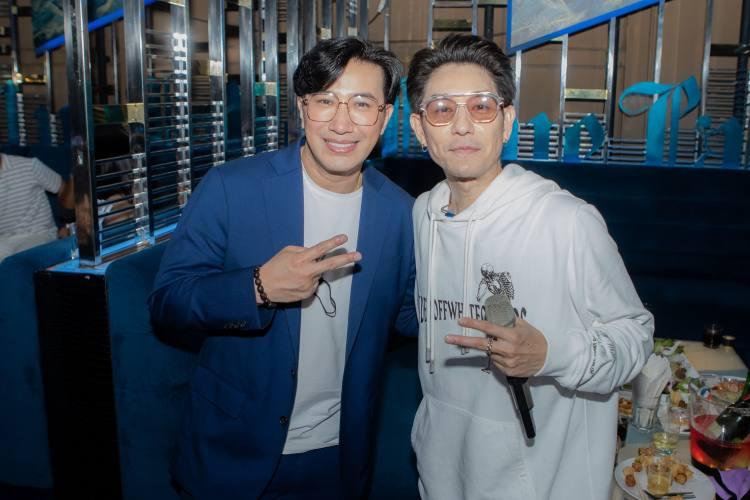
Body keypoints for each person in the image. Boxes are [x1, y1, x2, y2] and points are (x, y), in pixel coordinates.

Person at [149, 37, 417, 500]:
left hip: (340, 454)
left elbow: (409, 315)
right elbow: (168, 301)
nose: (341, 123)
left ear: (385, 116)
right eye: (325, 101)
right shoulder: (232, 188)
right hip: (233, 449)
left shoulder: (401, 213)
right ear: (302, 107)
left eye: (361, 104)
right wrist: (257, 287)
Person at [406, 34, 654, 499]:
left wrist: (550, 355)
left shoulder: (566, 221)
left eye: (481, 107)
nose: (462, 126)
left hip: (545, 482)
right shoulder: (423, 214)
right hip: (442, 476)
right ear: (420, 129)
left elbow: (635, 336)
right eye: (442, 109)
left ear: (507, 122)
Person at [0, 152, 73, 262]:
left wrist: (69, 226)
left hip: (38, 235)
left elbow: (64, 190)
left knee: (18, 261)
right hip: (4, 239)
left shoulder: (29, 166)